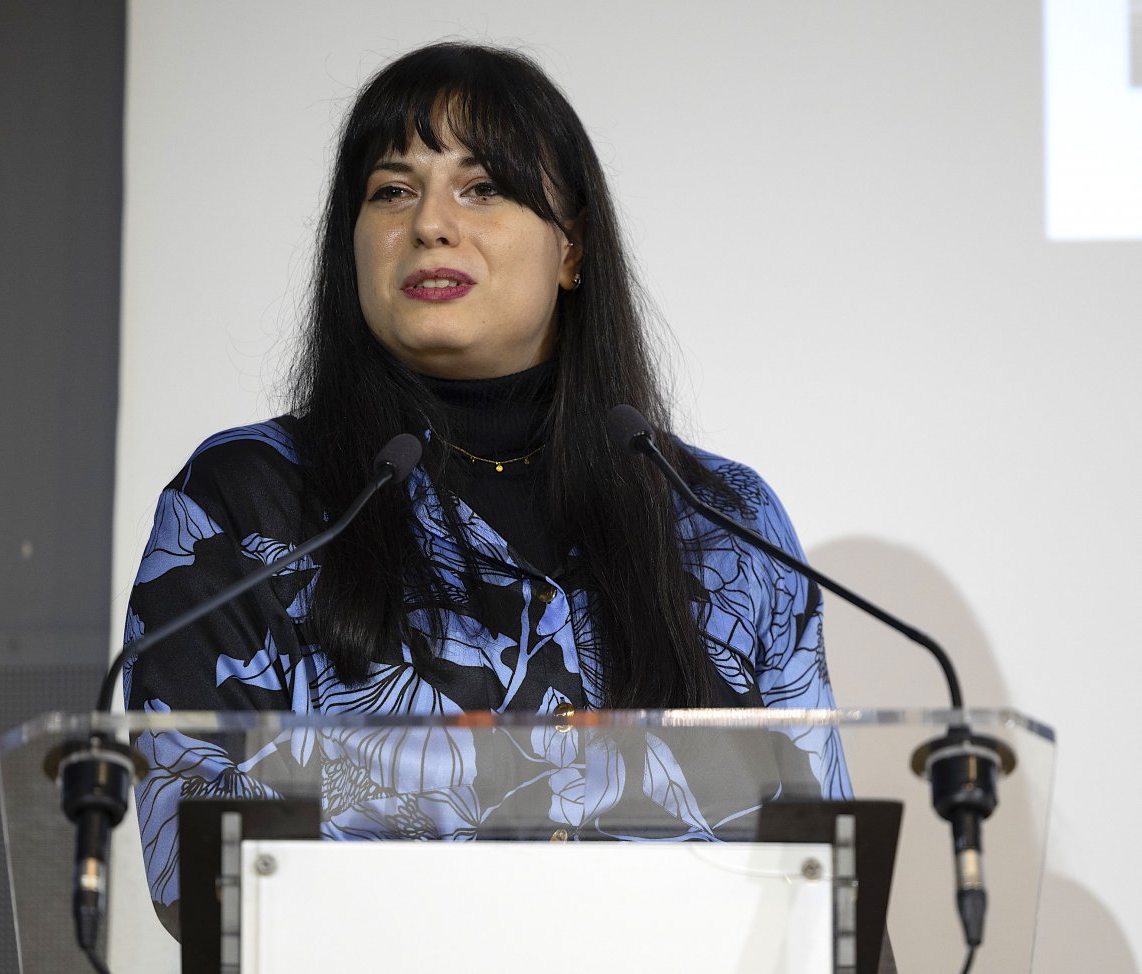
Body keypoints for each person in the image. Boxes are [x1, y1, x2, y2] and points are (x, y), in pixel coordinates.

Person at [124, 41, 850, 925]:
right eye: (391, 191)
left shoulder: (720, 519)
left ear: (572, 248)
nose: (430, 224)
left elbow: (826, 884)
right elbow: (197, 872)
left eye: (482, 188)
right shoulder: (248, 503)